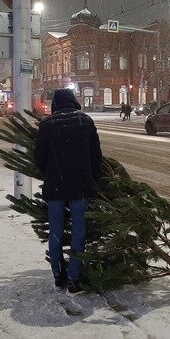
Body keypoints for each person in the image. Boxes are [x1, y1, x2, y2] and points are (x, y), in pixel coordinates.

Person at [34, 88, 103, 297]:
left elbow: (39, 158)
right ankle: (74, 280)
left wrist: (52, 173)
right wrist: (91, 178)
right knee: (78, 233)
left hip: (55, 188)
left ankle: (58, 277)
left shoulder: (46, 125)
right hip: (80, 187)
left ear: (55, 104)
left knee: (55, 233)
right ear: (74, 102)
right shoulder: (85, 121)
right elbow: (96, 156)